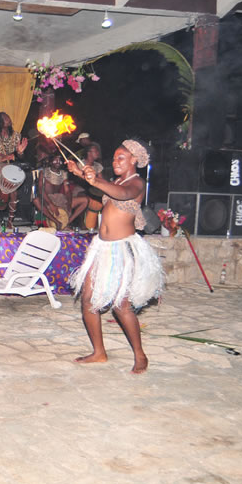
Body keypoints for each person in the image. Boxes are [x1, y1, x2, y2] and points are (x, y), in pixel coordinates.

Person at [66, 139, 164, 374]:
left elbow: (120, 194)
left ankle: (140, 355)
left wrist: (95, 179)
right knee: (88, 300)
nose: (115, 161)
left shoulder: (136, 183)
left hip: (121, 250)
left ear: (134, 160)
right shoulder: (116, 181)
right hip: (101, 248)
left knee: (122, 306)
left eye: (121, 158)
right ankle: (99, 352)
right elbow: (104, 188)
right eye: (114, 158)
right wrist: (81, 173)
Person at [33, 154, 88, 230]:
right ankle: (56, 222)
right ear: (50, 161)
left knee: (85, 200)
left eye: (60, 160)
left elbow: (67, 190)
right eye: (55, 160)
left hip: (60, 199)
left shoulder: (63, 173)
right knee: (36, 200)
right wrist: (51, 204)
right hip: (47, 200)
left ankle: (67, 222)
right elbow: (40, 189)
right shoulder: (43, 172)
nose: (58, 162)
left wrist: (69, 203)